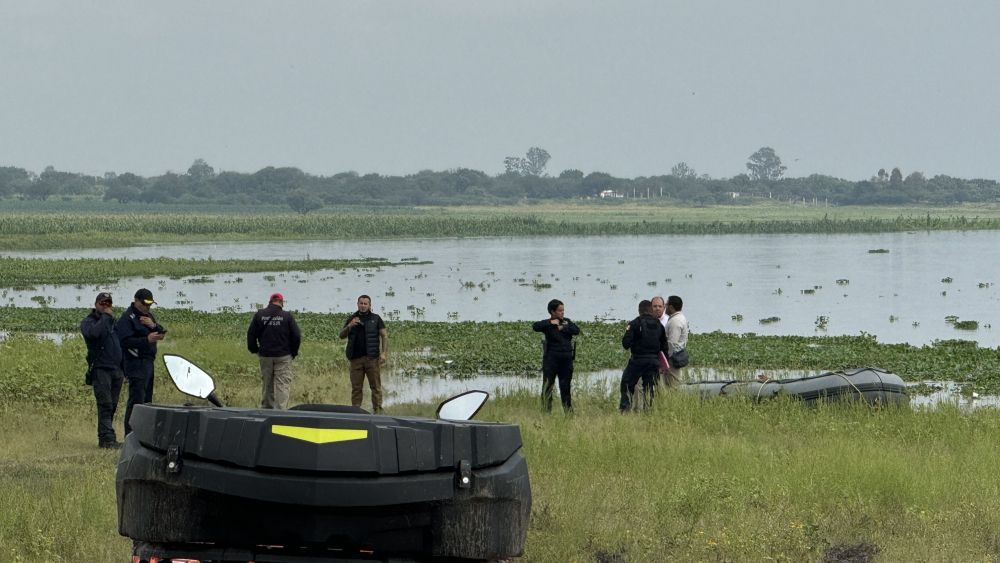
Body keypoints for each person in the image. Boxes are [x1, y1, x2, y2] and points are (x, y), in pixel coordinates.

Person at [115, 288, 165, 435]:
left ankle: (144, 434)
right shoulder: (127, 318)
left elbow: (161, 332)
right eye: (144, 304)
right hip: (135, 363)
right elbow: (123, 341)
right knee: (136, 401)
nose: (147, 307)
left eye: (150, 305)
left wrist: (154, 326)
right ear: (136, 301)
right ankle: (130, 434)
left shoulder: (148, 316)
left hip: (149, 362)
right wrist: (146, 340)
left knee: (147, 400)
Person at [81, 292, 125, 448]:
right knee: (105, 404)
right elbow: (94, 334)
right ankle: (107, 439)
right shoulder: (88, 322)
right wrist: (106, 317)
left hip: (116, 369)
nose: (106, 306)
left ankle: (107, 437)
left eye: (109, 303)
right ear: (96, 304)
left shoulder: (113, 323)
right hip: (101, 369)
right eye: (103, 303)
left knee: (112, 404)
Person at [247, 292, 301, 409]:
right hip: (283, 356)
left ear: (270, 302)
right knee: (282, 385)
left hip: (265, 355)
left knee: (267, 384)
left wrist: (255, 350)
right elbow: (296, 336)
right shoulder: (287, 316)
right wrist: (293, 352)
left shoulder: (260, 315)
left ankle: (267, 410)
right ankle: (280, 413)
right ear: (281, 303)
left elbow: (251, 335)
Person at [339, 295, 388, 413]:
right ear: (357, 304)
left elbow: (384, 335)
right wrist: (350, 326)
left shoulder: (376, 319)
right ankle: (356, 412)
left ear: (370, 305)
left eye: (365, 304)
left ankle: (377, 411)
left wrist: (383, 353)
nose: (363, 305)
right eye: (361, 303)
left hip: (372, 359)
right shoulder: (352, 318)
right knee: (356, 388)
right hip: (355, 359)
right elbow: (341, 335)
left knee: (376, 387)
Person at [619, 299, 668, 412]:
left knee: (626, 384)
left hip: (637, 361)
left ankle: (625, 409)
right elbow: (664, 347)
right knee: (649, 388)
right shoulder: (659, 325)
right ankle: (648, 410)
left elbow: (626, 343)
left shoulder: (635, 323)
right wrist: (662, 365)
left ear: (639, 310)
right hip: (654, 362)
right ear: (651, 309)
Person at [532, 299, 581, 412]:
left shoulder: (567, 322)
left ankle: (568, 413)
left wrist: (563, 328)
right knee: (548, 386)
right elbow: (535, 326)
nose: (562, 312)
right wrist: (550, 323)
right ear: (552, 312)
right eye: (559, 310)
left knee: (565, 387)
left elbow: (576, 330)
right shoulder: (547, 324)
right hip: (551, 360)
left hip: (566, 360)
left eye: (563, 310)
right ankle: (545, 411)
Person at [665, 295, 690, 383]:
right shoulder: (680, 318)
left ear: (671, 307)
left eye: (666, 304)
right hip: (677, 355)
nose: (665, 307)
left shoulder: (675, 321)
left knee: (672, 385)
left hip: (673, 358)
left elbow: (672, 343)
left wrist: (665, 362)